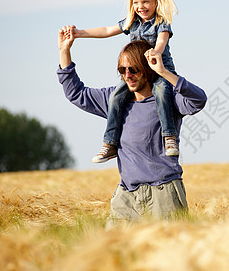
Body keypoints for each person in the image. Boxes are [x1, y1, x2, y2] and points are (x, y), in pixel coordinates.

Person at [57, 25, 207, 225]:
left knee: (168, 253)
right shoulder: (114, 101)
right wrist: (64, 51)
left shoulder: (168, 100)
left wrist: (164, 72)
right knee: (113, 254)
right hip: (126, 196)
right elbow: (76, 93)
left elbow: (199, 100)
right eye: (122, 70)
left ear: (147, 69)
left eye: (134, 70)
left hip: (164, 194)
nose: (127, 75)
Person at [71, 0, 179, 163]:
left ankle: (169, 137)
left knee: (162, 93)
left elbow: (162, 41)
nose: (140, 6)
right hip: (137, 72)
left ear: (155, 1)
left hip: (159, 71)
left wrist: (156, 52)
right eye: (136, 2)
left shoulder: (161, 22)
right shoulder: (132, 22)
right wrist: (80, 33)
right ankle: (110, 143)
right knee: (115, 97)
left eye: (145, 1)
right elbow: (106, 30)